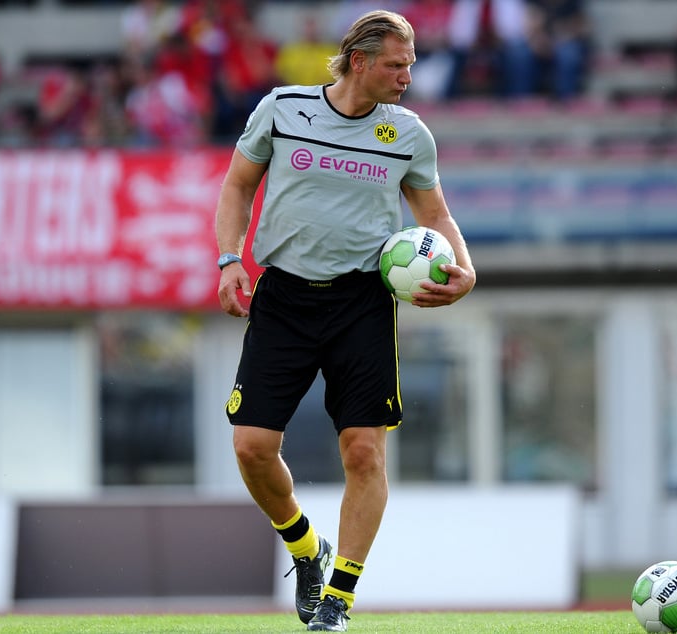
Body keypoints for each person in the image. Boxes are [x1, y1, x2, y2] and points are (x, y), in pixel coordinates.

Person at [215, 10, 475, 632]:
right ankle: (307, 550)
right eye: (397, 63)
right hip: (283, 298)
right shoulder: (282, 110)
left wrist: (465, 269)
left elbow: (435, 214)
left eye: (410, 63)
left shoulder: (409, 134)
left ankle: (338, 599)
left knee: (363, 452)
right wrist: (229, 259)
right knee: (252, 448)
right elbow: (235, 188)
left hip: (361, 301)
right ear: (359, 61)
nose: (408, 75)